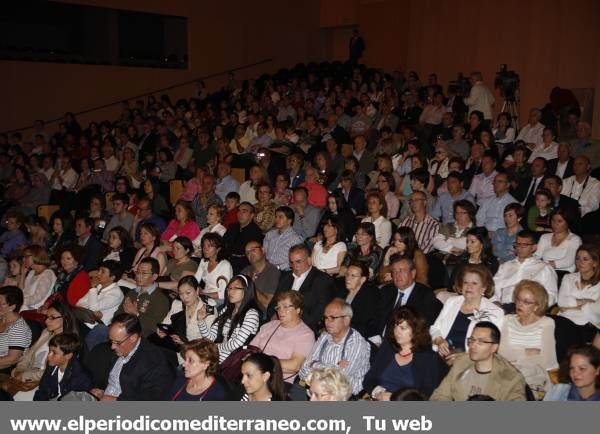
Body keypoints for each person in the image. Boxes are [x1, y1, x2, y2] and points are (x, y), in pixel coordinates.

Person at [364, 307, 447, 399]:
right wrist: (378, 392)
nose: (397, 331)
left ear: (416, 330)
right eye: (395, 326)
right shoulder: (388, 346)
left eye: (402, 328)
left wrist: (394, 399)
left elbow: (425, 395)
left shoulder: (427, 357)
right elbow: (369, 379)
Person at [430, 322, 527, 401]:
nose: (472, 345)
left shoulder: (511, 378)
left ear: (494, 347)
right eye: (472, 340)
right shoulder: (461, 363)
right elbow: (440, 396)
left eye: (481, 341)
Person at [89, 313, 174, 401]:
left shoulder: (154, 361)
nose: (112, 347)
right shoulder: (119, 349)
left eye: (117, 342)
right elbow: (109, 379)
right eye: (111, 341)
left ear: (133, 338)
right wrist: (101, 390)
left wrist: (116, 401)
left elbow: (148, 400)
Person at [7, 300, 78, 400]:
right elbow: (28, 354)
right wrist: (19, 370)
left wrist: (25, 375)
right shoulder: (46, 332)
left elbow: (51, 372)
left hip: (43, 384)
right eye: (47, 317)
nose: (46, 321)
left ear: (65, 318)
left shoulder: (68, 343)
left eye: (52, 318)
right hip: (26, 377)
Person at [431, 264, 504, 362]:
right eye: (465, 282)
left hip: (471, 362)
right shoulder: (452, 301)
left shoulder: (495, 312)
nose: (468, 287)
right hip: (441, 356)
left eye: (474, 283)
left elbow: (492, 347)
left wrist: (466, 356)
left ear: (484, 288)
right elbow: (434, 329)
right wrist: (439, 341)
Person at [299, 299, 371, 396]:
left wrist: (315, 364)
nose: (327, 322)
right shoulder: (324, 336)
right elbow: (303, 370)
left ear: (346, 320)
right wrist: (336, 366)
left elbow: (340, 380)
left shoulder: (358, 344)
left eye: (332, 317)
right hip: (316, 392)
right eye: (325, 317)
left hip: (345, 398)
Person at [499, 280, 558, 397]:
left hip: (535, 378)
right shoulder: (507, 319)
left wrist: (514, 357)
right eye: (518, 299)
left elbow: (548, 361)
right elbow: (501, 352)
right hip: (507, 373)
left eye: (526, 302)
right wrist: (526, 352)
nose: (519, 304)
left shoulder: (546, 323)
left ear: (537, 306)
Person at [250, 291, 315, 384]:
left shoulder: (306, 334)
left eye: (285, 307)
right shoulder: (269, 326)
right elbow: (250, 350)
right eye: (278, 307)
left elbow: (294, 366)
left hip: (278, 382)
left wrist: (261, 362)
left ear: (298, 310)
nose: (280, 311)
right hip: (254, 374)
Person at [268, 244, 335, 333]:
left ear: (309, 260)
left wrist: (293, 323)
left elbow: (318, 313)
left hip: (304, 329)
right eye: (292, 262)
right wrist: (275, 315)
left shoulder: (322, 280)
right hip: (279, 325)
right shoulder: (285, 278)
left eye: (298, 261)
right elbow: (273, 303)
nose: (295, 266)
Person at [196, 274, 260, 362]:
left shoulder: (251, 314)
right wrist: (200, 321)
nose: (230, 292)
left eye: (236, 288)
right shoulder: (226, 309)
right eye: (229, 288)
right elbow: (210, 338)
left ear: (246, 290)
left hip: (233, 361)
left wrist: (215, 347)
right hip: (216, 357)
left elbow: (236, 344)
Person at [492, 230, 558, 310]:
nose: (519, 248)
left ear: (534, 247)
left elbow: (552, 296)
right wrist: (496, 302)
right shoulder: (506, 266)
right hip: (504, 307)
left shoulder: (544, 268)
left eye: (524, 245)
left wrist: (535, 307)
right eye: (517, 244)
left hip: (530, 309)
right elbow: (494, 287)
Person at [555, 245, 600, 361]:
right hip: (564, 320)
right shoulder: (569, 277)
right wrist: (585, 301)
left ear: (594, 263)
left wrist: (570, 306)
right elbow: (561, 301)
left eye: (585, 259)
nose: (580, 262)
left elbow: (595, 309)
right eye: (577, 258)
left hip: (587, 324)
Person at [76, 260, 125, 350]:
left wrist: (93, 288)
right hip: (83, 319)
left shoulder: (116, 293)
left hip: (94, 327)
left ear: (112, 277)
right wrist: (91, 309)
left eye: (102, 272)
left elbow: (94, 307)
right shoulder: (99, 286)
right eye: (99, 270)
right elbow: (79, 303)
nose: (98, 274)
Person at [116, 257, 170, 338]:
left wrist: (136, 314)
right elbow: (117, 314)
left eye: (144, 273)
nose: (138, 276)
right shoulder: (132, 292)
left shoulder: (161, 299)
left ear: (154, 276)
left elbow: (154, 328)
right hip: (121, 332)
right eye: (138, 272)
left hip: (141, 338)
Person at [33, 333, 91, 401]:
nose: (49, 355)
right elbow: (42, 390)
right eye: (50, 351)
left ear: (68, 356)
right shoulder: (52, 365)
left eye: (54, 352)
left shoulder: (81, 377)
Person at [535, 208, 582, 274]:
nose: (555, 224)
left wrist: (544, 265)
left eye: (559, 221)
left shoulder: (575, 239)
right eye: (553, 220)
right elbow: (536, 256)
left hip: (564, 274)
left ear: (568, 223)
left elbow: (569, 260)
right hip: (545, 272)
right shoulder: (544, 237)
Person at [221, 202, 264, 274]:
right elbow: (223, 244)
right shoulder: (232, 227)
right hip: (226, 262)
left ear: (252, 215)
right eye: (239, 211)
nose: (240, 214)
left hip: (242, 267)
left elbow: (248, 256)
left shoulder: (256, 232)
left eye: (244, 211)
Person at [241, 240, 280, 317]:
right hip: (242, 309)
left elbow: (266, 303)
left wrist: (250, 283)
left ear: (263, 250)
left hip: (258, 314)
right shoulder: (245, 270)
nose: (250, 254)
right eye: (247, 253)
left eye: (253, 250)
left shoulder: (273, 271)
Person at [431, 199, 476, 266]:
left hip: (461, 264)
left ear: (470, 214)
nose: (459, 216)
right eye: (457, 213)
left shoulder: (475, 230)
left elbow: (464, 246)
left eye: (462, 212)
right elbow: (436, 242)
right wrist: (452, 248)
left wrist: (448, 240)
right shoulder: (448, 226)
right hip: (440, 260)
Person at [0, 286, 32, 371]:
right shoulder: (2, 319)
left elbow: (13, 359)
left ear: (12, 307)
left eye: (2, 304)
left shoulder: (18, 327)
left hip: (5, 370)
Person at [194, 233, 233, 302]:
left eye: (209, 246)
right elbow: (195, 280)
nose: (205, 249)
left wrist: (203, 293)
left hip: (219, 300)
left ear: (218, 249)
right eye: (204, 246)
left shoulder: (225, 265)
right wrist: (197, 288)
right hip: (204, 295)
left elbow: (224, 293)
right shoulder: (204, 261)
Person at [263, 206, 304, 271]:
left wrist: (278, 267)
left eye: (280, 217)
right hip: (266, 267)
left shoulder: (295, 239)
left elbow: (296, 260)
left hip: (283, 271)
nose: (276, 220)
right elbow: (264, 251)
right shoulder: (270, 234)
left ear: (289, 221)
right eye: (276, 217)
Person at [18, 245, 56, 311]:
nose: (23, 260)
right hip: (24, 306)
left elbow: (37, 298)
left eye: (26, 257)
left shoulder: (47, 274)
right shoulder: (32, 272)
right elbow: (21, 292)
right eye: (23, 257)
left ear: (36, 256)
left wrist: (18, 301)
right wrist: (22, 275)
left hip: (35, 310)